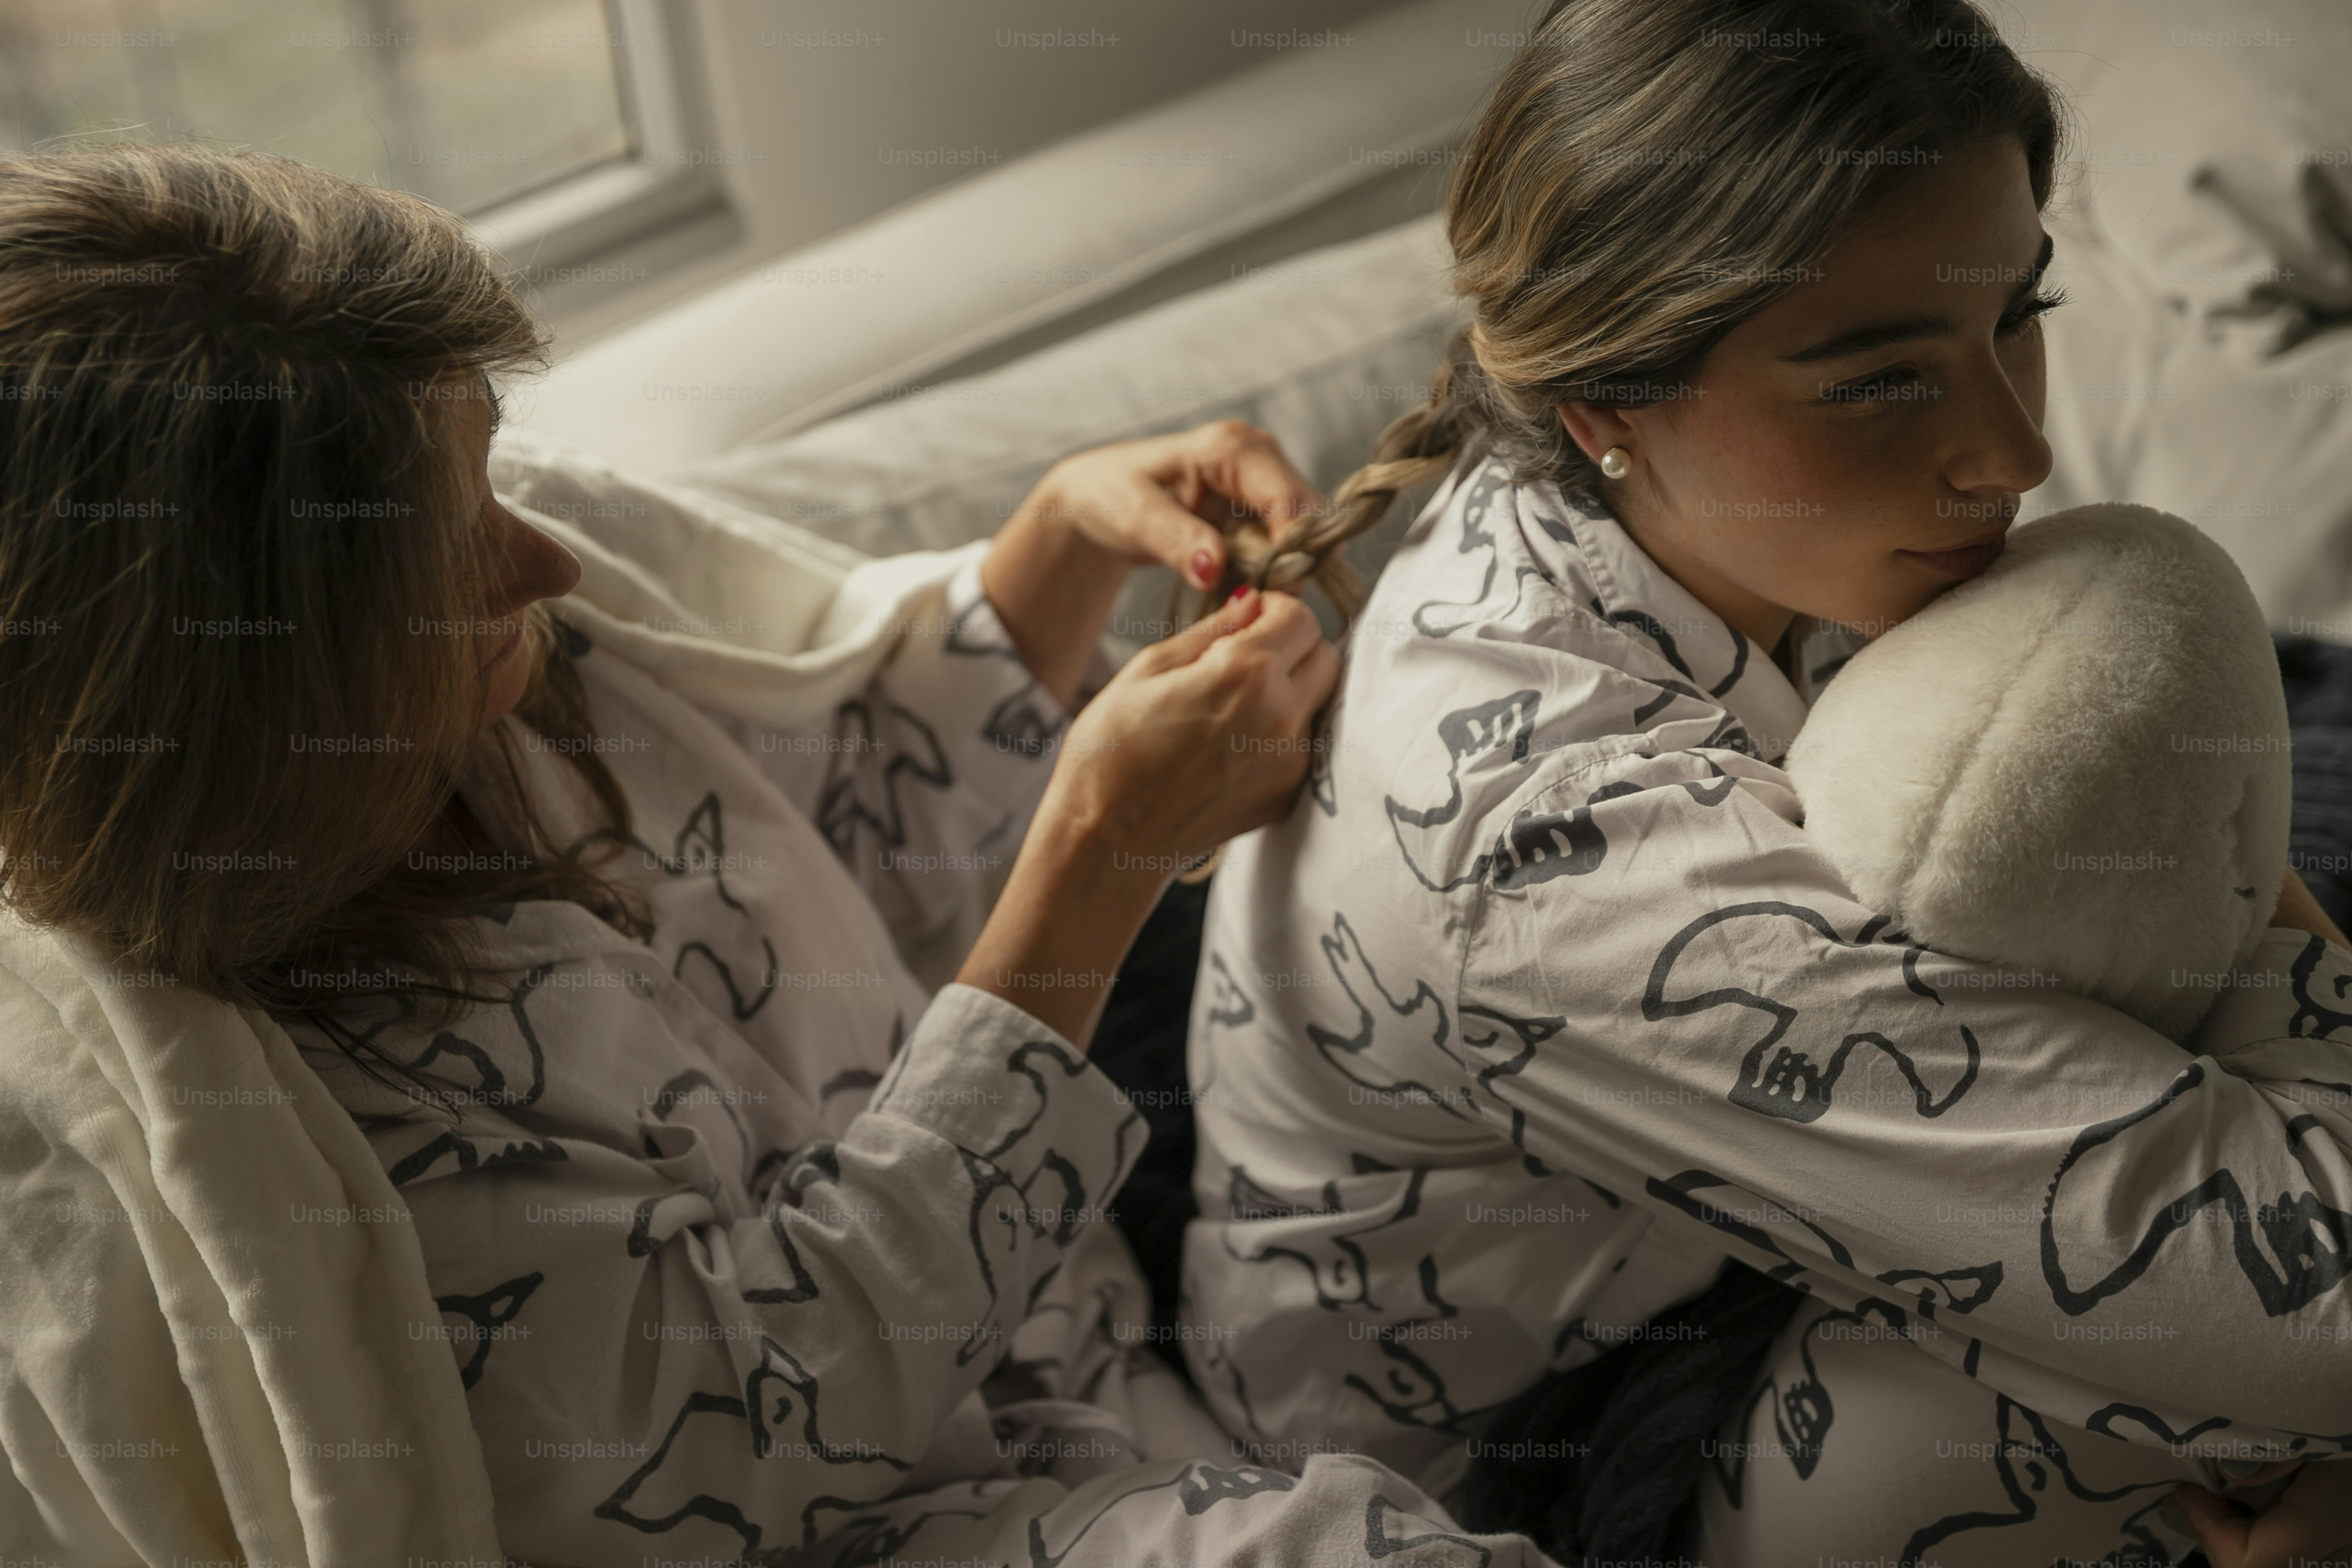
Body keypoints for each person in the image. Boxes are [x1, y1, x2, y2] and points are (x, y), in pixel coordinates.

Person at [0, 142, 1559, 1567]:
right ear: (253, 699)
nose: (542, 558)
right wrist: (1093, 854)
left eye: (488, 476)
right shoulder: (302, 1145)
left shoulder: (535, 653)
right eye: (449, 552)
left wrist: (1052, 562)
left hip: (1077, 1299)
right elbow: (754, 1435)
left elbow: (835, 804)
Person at [1179, 2, 2352, 1565]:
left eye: (2020, 313)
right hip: (1555, 1429)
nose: (2011, 453)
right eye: (1876, 381)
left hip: (1726, 1207)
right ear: (1606, 409)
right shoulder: (1551, 860)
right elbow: (2314, 1295)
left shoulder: (1667, 503)